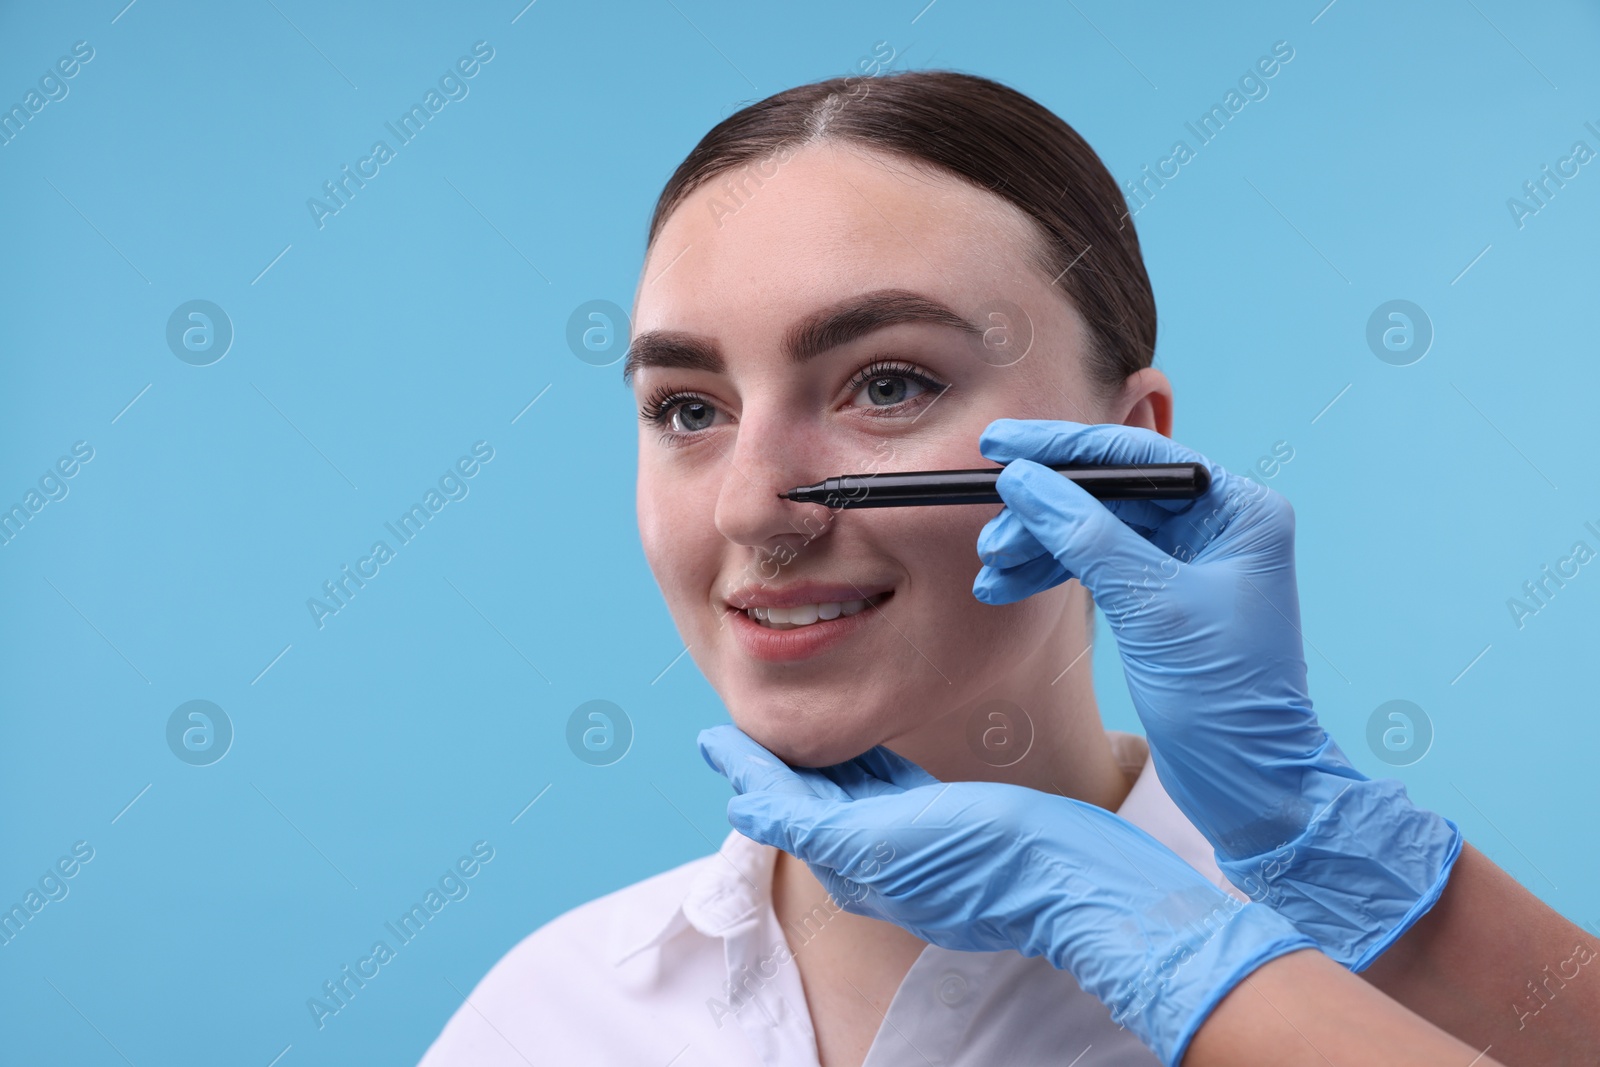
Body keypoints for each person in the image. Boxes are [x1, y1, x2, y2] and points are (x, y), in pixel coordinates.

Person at [416, 68, 1597, 1066]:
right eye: (685, 407)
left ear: (1130, 450)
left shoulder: (1362, 998)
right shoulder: (544, 1017)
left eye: (888, 383)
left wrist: (1254, 890)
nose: (749, 506)